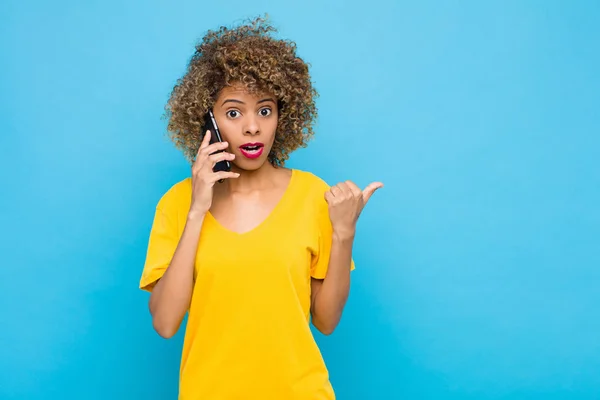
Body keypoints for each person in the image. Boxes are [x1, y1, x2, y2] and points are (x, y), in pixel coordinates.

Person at [139, 16, 383, 400]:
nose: (252, 127)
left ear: (281, 118)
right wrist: (197, 210)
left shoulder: (311, 194)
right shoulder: (177, 203)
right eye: (234, 113)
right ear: (209, 122)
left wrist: (343, 234)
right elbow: (166, 323)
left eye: (264, 111)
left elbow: (326, 320)